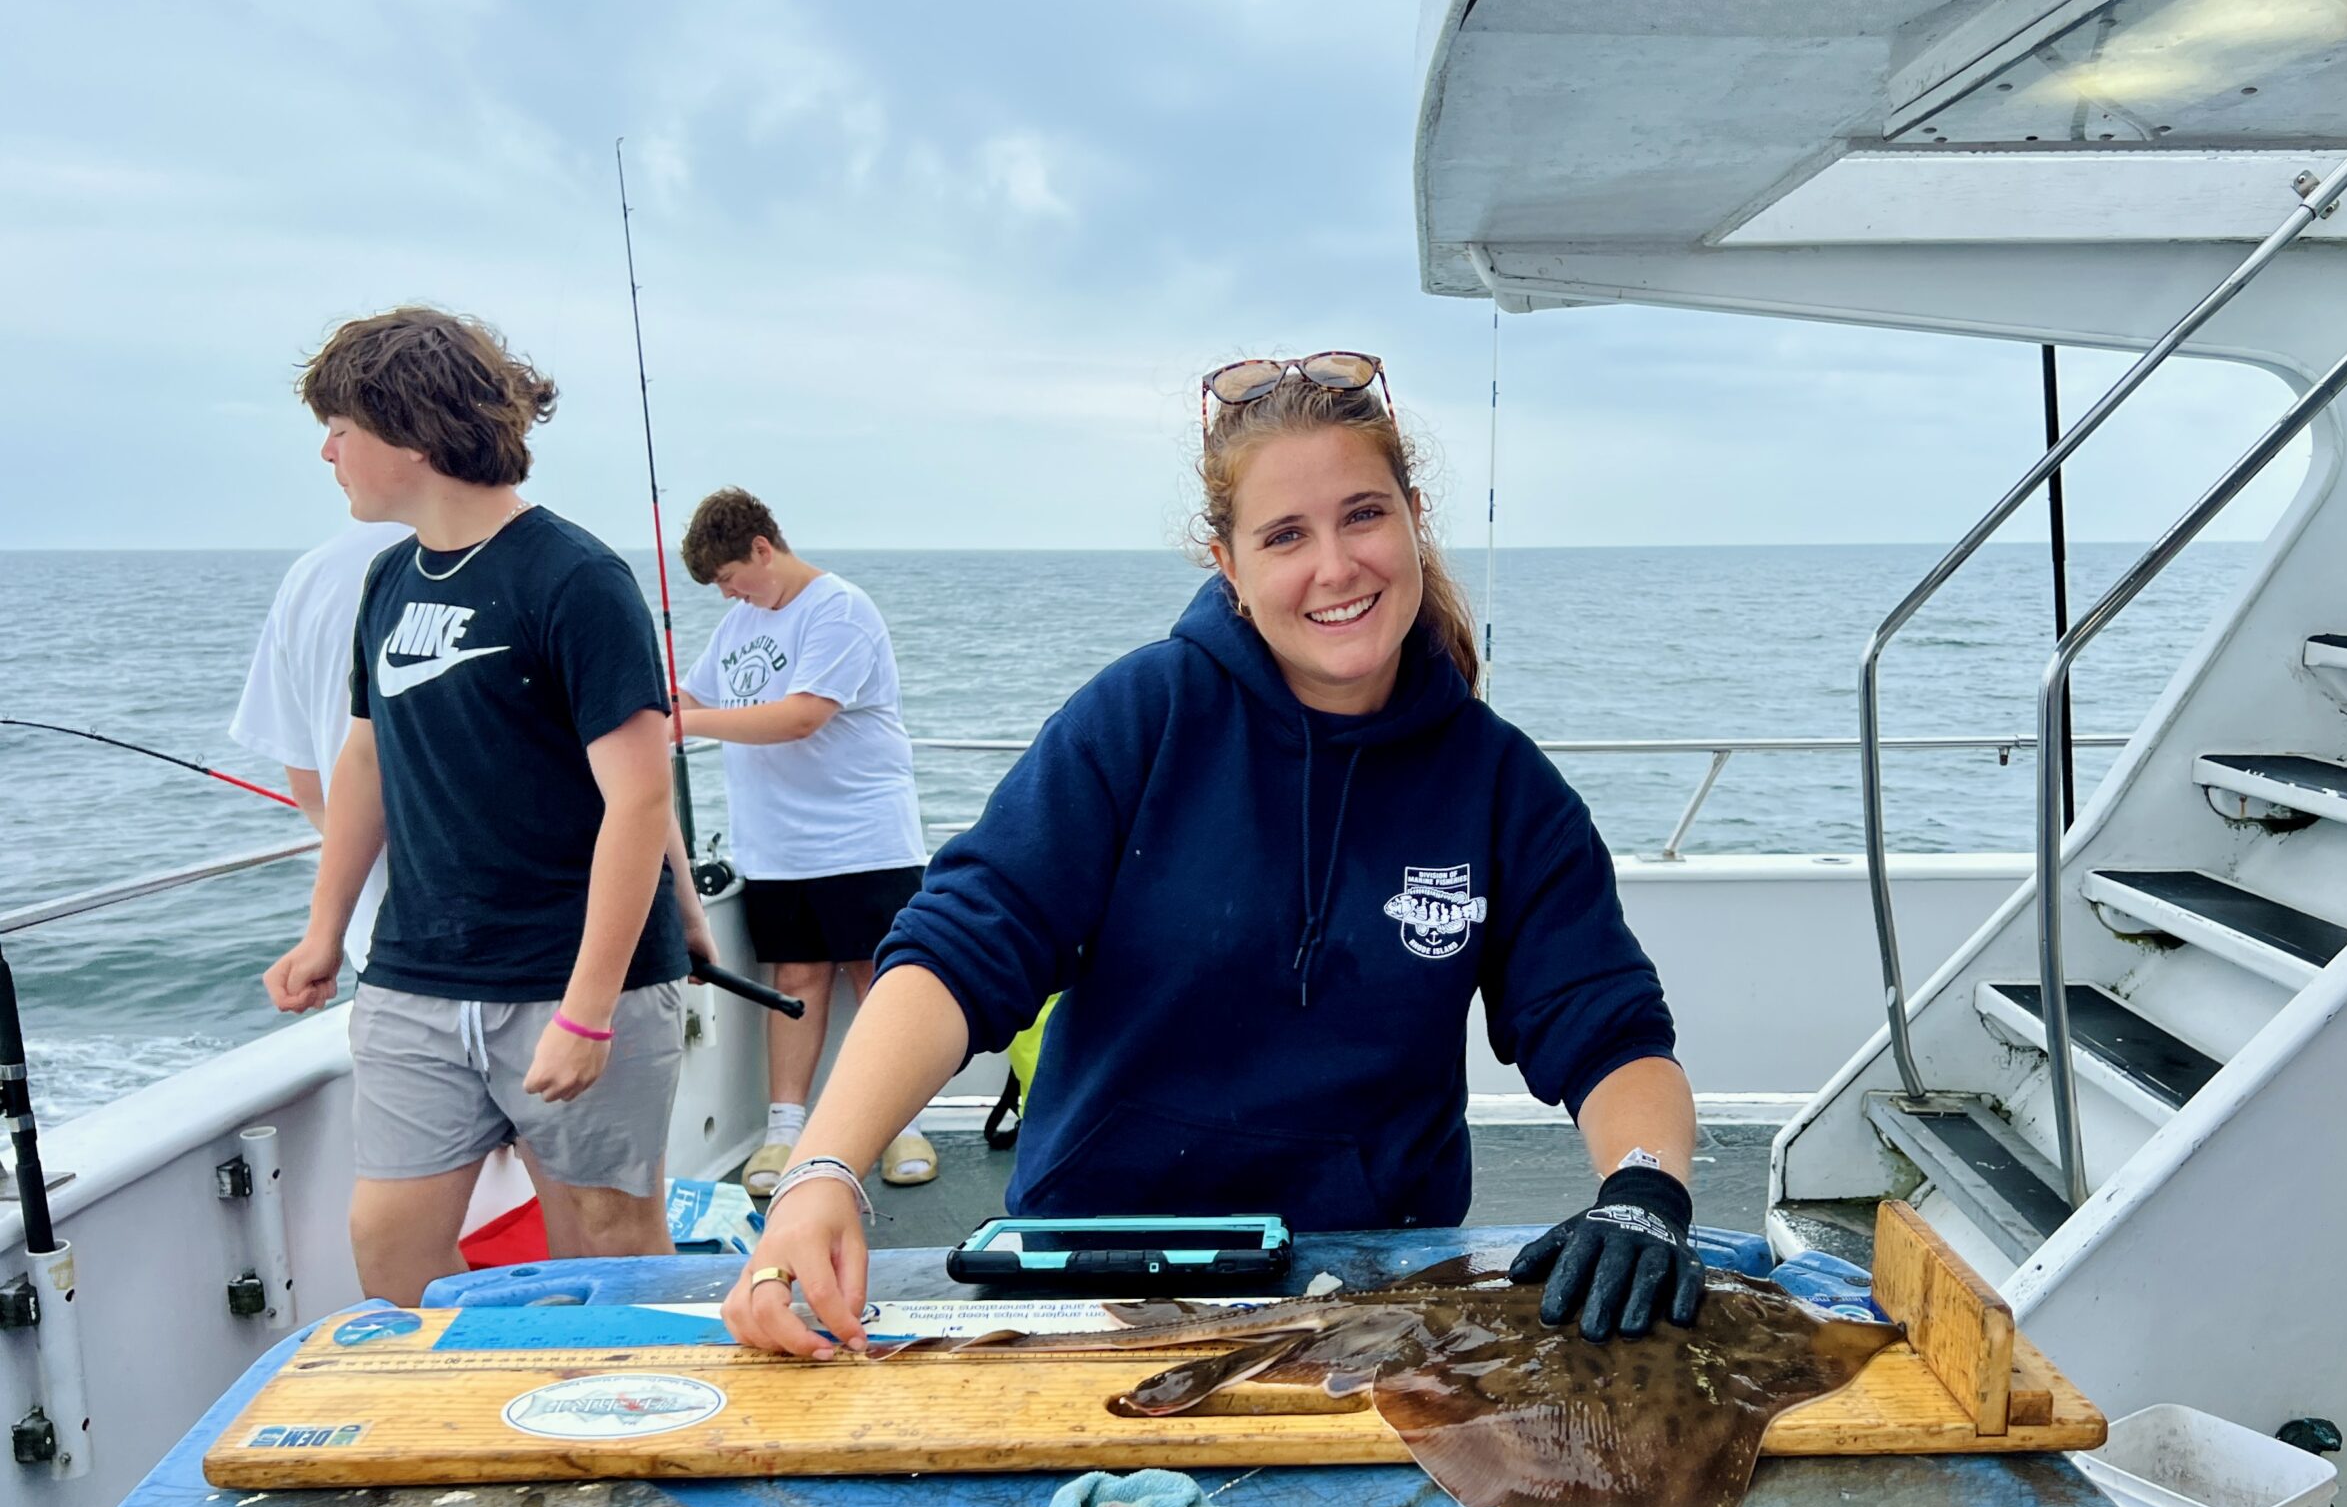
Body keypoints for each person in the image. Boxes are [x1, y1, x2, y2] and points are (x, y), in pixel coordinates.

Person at [725, 351, 1706, 1359]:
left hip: (1379, 1285)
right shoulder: (1140, 720)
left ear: (1415, 517)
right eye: (1285, 535)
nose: (1334, 566)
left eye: (1363, 514)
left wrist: (1641, 1188)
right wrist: (823, 1169)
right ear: (1227, 563)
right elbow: (962, 948)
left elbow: (1607, 1029)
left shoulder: (1502, 787)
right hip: (1094, 1266)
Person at [262, 307, 716, 1306]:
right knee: (388, 1245)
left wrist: (589, 1015)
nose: (327, 449)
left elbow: (638, 801)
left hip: (573, 980)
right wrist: (323, 931)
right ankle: (491, 1422)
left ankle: (631, 1440)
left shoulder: (576, 579)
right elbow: (366, 759)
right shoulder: (389, 578)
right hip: (417, 977)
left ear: (413, 434)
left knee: (605, 1240)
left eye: (343, 426)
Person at [675, 489, 936, 1196]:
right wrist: (651, 706)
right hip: (775, 845)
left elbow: (801, 717)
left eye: (731, 576)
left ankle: (900, 1121)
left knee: (878, 976)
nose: (728, 593)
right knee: (793, 981)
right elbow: (694, 698)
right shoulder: (736, 624)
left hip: (864, 839)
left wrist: (687, 728)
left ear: (764, 548)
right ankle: (784, 1128)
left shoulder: (839, 610)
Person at [230, 517, 406, 973]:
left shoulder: (312, 575)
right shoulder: (559, 565)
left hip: (383, 951)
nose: (328, 452)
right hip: (542, 955)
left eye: (343, 438)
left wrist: (325, 933)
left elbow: (310, 785)